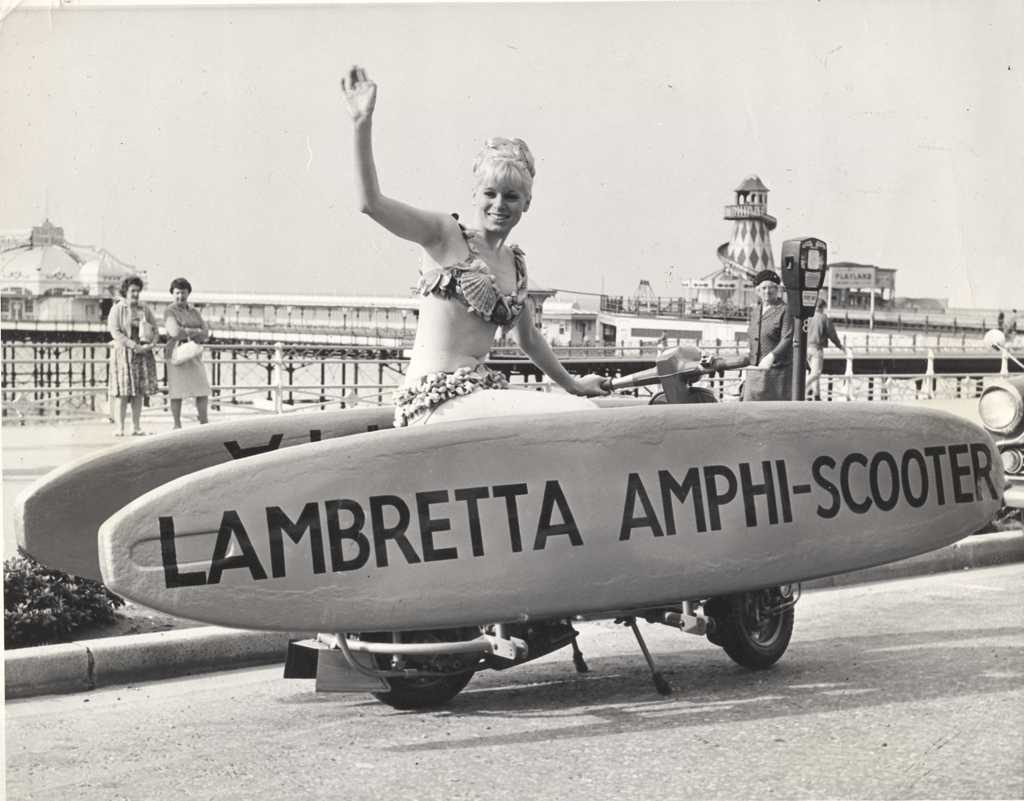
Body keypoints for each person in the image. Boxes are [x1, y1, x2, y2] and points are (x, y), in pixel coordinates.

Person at [340, 65, 607, 428]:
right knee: (582, 419)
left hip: (476, 397)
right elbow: (371, 203)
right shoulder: (444, 234)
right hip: (432, 404)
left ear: (527, 202)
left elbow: (528, 338)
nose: (499, 205)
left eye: (511, 196)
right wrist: (362, 123)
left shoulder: (515, 264)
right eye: (490, 193)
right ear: (474, 195)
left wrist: (573, 385)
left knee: (578, 411)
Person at [707, 269, 793, 401]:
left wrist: (771, 357)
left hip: (777, 373)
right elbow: (753, 343)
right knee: (751, 411)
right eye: (763, 288)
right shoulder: (756, 312)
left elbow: (787, 338)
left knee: (773, 414)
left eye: (771, 288)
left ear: (777, 290)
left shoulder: (784, 310)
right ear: (758, 291)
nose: (767, 292)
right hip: (755, 372)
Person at [108, 275, 159, 436]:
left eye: (138, 291)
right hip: (124, 354)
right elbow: (114, 331)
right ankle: (120, 427)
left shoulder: (144, 309)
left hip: (142, 354)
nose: (136, 294)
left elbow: (156, 328)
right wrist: (133, 345)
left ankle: (136, 426)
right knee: (122, 393)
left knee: (138, 392)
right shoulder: (118, 308)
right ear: (126, 291)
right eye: (133, 291)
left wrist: (152, 344)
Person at [164, 277, 211, 428]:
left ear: (188, 293)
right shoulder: (169, 311)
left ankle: (204, 422)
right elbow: (174, 332)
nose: (180, 296)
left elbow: (205, 333)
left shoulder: (194, 311)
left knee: (202, 389)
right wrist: (194, 331)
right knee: (177, 391)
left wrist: (187, 331)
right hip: (176, 353)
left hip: (194, 353)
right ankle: (177, 424)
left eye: (183, 293)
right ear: (172, 293)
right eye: (177, 293)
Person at [806, 297, 844, 400]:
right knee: (816, 372)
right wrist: (840, 346)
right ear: (823, 307)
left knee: (812, 372)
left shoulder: (807, 317)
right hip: (816, 348)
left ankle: (816, 395)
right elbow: (832, 335)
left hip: (805, 348)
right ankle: (803, 387)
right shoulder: (824, 318)